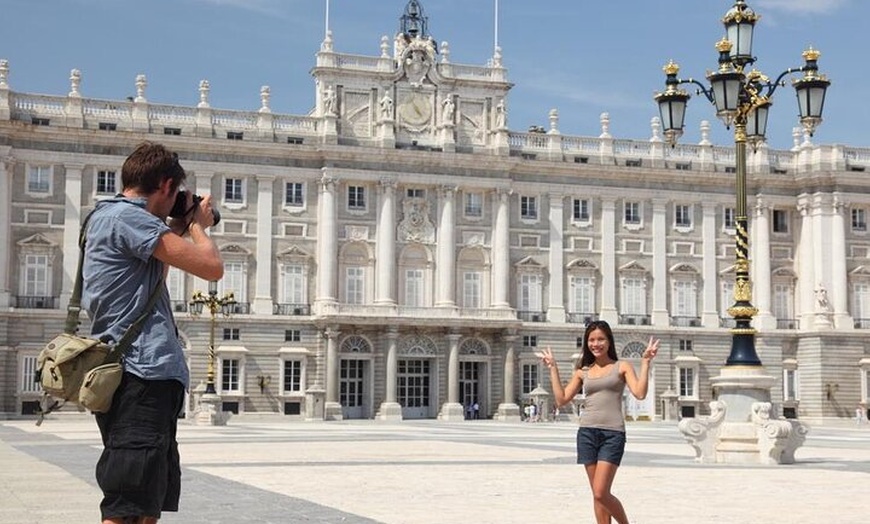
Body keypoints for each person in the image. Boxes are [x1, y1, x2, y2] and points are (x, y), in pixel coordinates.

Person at [82, 141, 224, 524]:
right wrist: (197, 226)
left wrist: (179, 224)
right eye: (176, 193)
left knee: (145, 503)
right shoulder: (130, 219)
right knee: (126, 503)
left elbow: (157, 269)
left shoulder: (110, 216)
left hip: (142, 376)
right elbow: (212, 267)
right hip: (141, 376)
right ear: (165, 185)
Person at [538, 320, 659, 524]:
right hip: (587, 433)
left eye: (600, 339)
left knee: (601, 492)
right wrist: (553, 368)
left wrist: (646, 362)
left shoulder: (622, 366)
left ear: (609, 341)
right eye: (591, 340)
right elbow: (561, 399)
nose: (596, 344)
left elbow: (640, 393)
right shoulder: (583, 371)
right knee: (597, 494)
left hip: (613, 434)